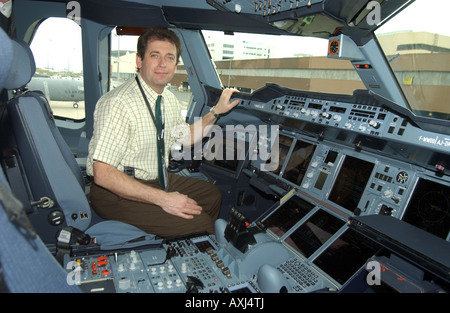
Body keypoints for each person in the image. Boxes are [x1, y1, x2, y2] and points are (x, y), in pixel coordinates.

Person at [87, 27, 239, 238]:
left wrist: (216, 112)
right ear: (139, 61)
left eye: (169, 58)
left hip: (155, 179)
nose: (162, 64)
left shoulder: (167, 99)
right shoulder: (118, 103)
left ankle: (186, 244)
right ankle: (193, 241)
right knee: (201, 224)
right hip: (114, 193)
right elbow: (103, 174)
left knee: (212, 195)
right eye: (154, 56)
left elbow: (185, 137)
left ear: (175, 65)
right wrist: (164, 199)